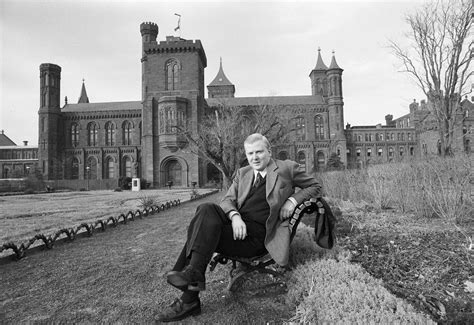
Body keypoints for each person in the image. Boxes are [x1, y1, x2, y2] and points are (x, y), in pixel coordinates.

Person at [156, 133, 322, 322]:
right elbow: (227, 200)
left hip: (259, 238)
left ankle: (189, 297)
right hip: (238, 230)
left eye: (259, 152)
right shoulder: (243, 173)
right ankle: (192, 281)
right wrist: (235, 217)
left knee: (201, 231)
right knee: (206, 209)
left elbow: (315, 186)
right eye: (250, 153)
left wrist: (292, 201)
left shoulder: (286, 168)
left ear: (269, 151)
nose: (255, 157)